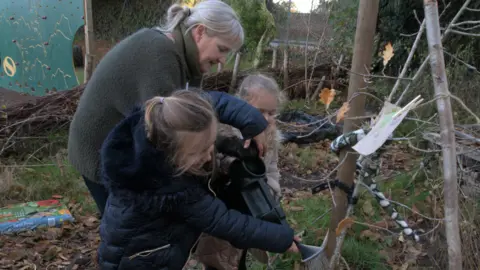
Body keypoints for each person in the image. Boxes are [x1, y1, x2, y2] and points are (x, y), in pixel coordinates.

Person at [67, 0, 268, 216]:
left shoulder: (186, 61)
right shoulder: (160, 55)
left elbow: (195, 123)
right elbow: (171, 133)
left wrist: (231, 146)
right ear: (200, 32)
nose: (222, 60)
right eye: (222, 49)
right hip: (100, 149)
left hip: (126, 143)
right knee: (133, 231)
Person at [97, 89, 300, 270]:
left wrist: (252, 122)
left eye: (210, 145)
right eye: (200, 151)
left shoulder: (155, 131)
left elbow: (210, 101)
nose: (209, 156)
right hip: (140, 261)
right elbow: (227, 223)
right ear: (173, 157)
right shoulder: (173, 193)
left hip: (134, 249)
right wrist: (282, 238)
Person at [195, 74, 286, 270]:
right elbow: (212, 166)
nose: (266, 119)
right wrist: (234, 161)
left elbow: (272, 170)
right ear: (241, 105)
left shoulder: (270, 136)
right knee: (218, 259)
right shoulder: (224, 132)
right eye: (260, 111)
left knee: (238, 256)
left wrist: (270, 191)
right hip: (224, 212)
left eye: (271, 113)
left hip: (251, 211)